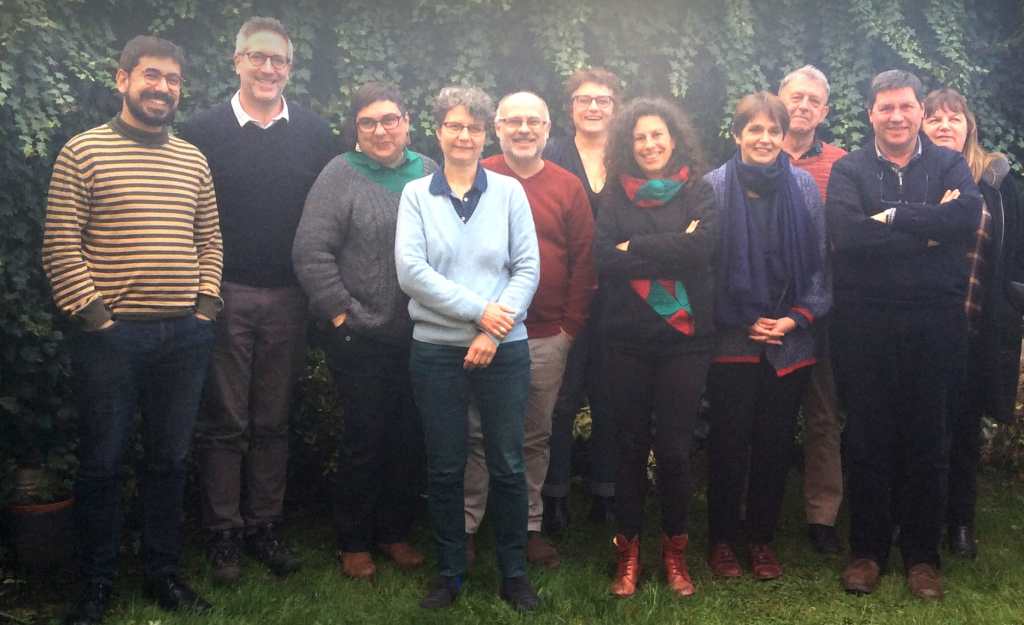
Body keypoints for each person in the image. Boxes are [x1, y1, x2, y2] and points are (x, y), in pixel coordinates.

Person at [42, 35, 222, 625]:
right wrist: (97, 319)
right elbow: (61, 246)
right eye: (151, 76)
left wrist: (205, 307)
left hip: (185, 338)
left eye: (172, 79)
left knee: (169, 462)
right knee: (102, 463)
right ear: (122, 80)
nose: (162, 88)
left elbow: (210, 239)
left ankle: (162, 574)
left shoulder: (192, 159)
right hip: (111, 341)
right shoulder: (83, 152)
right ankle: (94, 584)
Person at [179, 16, 336, 585]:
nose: (269, 69)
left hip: (290, 298)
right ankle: (223, 533)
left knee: (272, 420)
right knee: (224, 420)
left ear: (290, 69)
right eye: (258, 57)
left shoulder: (316, 134)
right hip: (224, 294)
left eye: (279, 61)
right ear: (237, 60)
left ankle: (264, 525)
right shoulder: (201, 132)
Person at [827, 70, 981, 600]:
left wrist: (889, 218)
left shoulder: (948, 161)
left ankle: (922, 558)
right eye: (885, 107)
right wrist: (928, 226)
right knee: (868, 438)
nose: (897, 116)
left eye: (906, 107)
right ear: (870, 112)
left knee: (930, 440)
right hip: (866, 324)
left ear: (920, 110)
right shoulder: (849, 168)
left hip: (936, 323)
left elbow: (966, 218)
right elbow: (846, 237)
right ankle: (867, 552)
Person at [395, 86, 541, 611]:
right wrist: (479, 313)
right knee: (445, 466)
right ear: (438, 132)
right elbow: (412, 274)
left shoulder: (508, 193)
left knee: (506, 463)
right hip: (436, 350)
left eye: (473, 128)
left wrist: (493, 331)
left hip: (504, 349)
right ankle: (451, 573)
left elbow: (527, 268)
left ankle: (514, 572)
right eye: (454, 126)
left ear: (486, 135)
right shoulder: (416, 195)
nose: (464, 136)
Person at [293, 82, 437, 579]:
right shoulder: (340, 174)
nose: (381, 130)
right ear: (356, 129)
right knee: (364, 436)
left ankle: (395, 533)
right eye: (368, 122)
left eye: (389, 119)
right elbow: (311, 251)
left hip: (423, 331)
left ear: (407, 122)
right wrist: (339, 313)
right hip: (361, 334)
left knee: (409, 436)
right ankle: (353, 540)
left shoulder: (430, 171)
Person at [463, 91, 595, 569]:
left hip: (545, 334)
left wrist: (569, 327)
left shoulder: (567, 186)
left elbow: (585, 260)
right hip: (482, 330)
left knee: (534, 435)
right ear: (497, 127)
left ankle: (528, 525)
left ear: (547, 129)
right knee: (475, 431)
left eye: (532, 122)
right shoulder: (476, 177)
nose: (523, 129)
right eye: (512, 121)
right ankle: (467, 526)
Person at [703, 92, 830, 582]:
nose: (764, 138)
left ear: (784, 136)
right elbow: (704, 269)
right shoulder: (713, 187)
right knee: (729, 443)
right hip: (732, 338)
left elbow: (820, 265)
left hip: (788, 340)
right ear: (736, 135)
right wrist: (741, 318)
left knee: (775, 444)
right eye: (754, 129)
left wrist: (796, 317)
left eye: (773, 130)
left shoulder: (802, 188)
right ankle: (720, 540)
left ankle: (759, 540)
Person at [595, 97, 718, 598]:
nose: (649, 144)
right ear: (629, 142)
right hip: (625, 341)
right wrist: (671, 244)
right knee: (627, 449)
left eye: (658, 136)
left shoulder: (699, 191)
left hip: (685, 342)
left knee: (673, 451)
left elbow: (701, 249)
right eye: (640, 137)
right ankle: (628, 553)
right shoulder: (613, 196)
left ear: (674, 139)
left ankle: (674, 551)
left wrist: (636, 249)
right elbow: (604, 257)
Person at [921, 87, 1023, 559]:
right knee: (918, 425)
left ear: (969, 126)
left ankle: (959, 521)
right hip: (919, 324)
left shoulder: (998, 181)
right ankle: (913, 516)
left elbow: (1015, 253)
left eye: (953, 117)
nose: (944, 125)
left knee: (962, 428)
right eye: (934, 117)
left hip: (976, 326)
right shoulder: (914, 177)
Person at [542, 67, 622, 531]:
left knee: (612, 399)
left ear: (615, 107)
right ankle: (553, 495)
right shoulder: (551, 156)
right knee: (560, 400)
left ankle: (606, 493)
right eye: (584, 99)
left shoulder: (629, 156)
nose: (594, 107)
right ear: (569, 107)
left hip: (618, 300)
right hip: (562, 298)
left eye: (603, 99)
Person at [777, 64, 847, 555]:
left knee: (823, 414)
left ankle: (822, 516)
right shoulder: (753, 149)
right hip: (766, 309)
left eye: (812, 101)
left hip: (826, 308)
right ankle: (750, 507)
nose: (802, 106)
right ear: (779, 100)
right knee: (763, 415)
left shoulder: (842, 163)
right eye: (794, 97)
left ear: (824, 112)